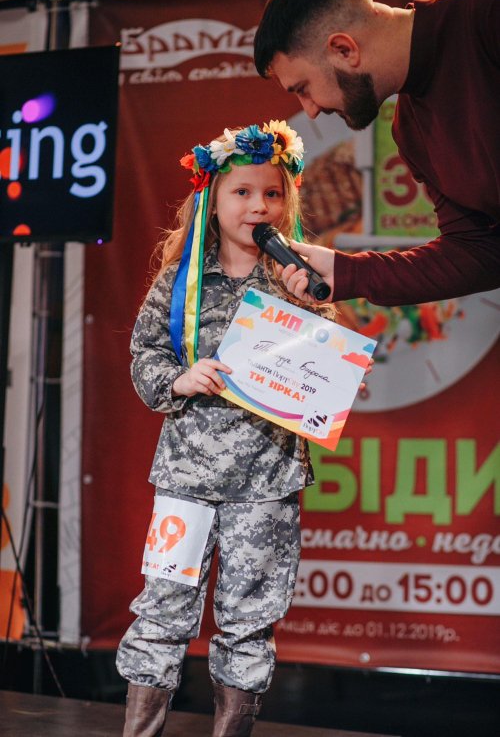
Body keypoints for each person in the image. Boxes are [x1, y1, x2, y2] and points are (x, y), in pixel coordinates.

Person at [116, 120, 333, 737]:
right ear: (212, 199)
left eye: (271, 193)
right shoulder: (180, 281)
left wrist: (338, 375)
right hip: (186, 479)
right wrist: (177, 379)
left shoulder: (298, 280)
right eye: (242, 192)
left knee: (248, 623)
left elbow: (323, 367)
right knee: (162, 614)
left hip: (266, 483)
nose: (258, 205)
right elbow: (144, 354)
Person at [253, 0, 500, 306]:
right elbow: (479, 249)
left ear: (344, 50)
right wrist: (351, 273)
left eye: (304, 88)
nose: (310, 110)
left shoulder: (487, 13)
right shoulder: (410, 131)